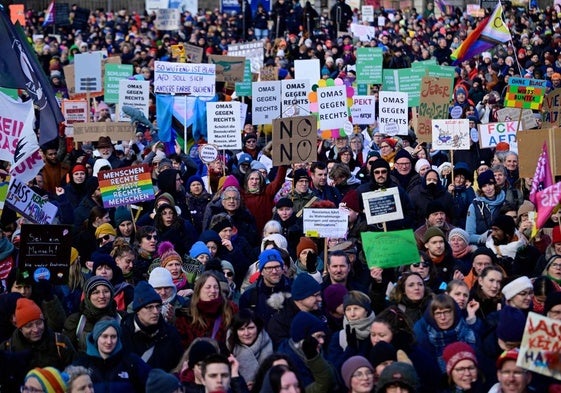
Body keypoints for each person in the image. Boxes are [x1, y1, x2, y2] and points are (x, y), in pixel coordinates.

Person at [73, 318, 151, 392]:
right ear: (96, 338)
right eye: (104, 336)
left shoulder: (132, 362)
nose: (109, 342)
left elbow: (154, 384)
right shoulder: (82, 364)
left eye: (113, 337)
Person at [120, 281, 183, 372]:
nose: (156, 311)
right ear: (137, 310)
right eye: (150, 307)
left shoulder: (170, 333)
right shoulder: (123, 334)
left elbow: (178, 366)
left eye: (158, 306)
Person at [1, 298, 76, 371]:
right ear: (20, 328)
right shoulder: (8, 349)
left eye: (39, 323)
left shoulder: (60, 343)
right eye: (29, 326)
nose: (36, 329)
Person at [413, 294, 477, 374]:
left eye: (447, 312)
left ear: (454, 312)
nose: (443, 317)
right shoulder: (422, 333)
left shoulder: (467, 330)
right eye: (438, 313)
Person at [63, 276, 121, 352]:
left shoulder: (122, 318)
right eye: (96, 292)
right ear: (88, 296)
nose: (102, 296)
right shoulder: (76, 321)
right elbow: (69, 353)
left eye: (106, 291)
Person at [183, 271, 238, 348]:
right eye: (208, 287)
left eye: (216, 287)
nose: (213, 291)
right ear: (199, 290)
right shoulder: (187, 312)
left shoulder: (231, 309)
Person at [327, 290, 376, 376]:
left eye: (356, 308)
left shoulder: (377, 333)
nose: (352, 314)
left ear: (366, 311)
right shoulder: (338, 337)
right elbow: (334, 370)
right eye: (348, 309)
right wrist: (350, 349)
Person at [239, 249, 292, 324]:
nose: (274, 271)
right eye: (269, 268)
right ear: (262, 272)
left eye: (277, 267)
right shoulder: (249, 296)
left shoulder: (294, 289)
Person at [226, 308, 274, 390]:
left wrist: (258, 385)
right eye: (241, 329)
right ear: (235, 331)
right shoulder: (226, 350)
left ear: (258, 328)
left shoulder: (269, 346)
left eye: (250, 328)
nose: (246, 333)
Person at [466, 170, 506, 245]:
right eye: (484, 186)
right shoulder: (474, 206)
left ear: (495, 185)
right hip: (482, 246)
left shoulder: (504, 202)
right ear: (481, 189)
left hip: (503, 245)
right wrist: (484, 237)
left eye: (490, 184)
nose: (488, 189)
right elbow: (469, 235)